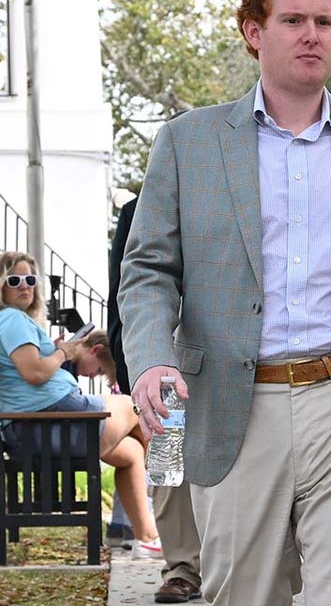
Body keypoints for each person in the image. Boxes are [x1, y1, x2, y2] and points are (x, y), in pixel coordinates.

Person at [118, 0, 331, 606]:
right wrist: (150, 359)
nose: (312, 33)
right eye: (293, 19)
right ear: (253, 31)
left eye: (325, 20)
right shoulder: (188, 142)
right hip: (236, 401)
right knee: (244, 592)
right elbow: (148, 268)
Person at [0, 251, 162, 559]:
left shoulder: (11, 321)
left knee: (131, 453)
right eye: (15, 280)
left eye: (30, 280)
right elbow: (34, 373)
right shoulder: (10, 319)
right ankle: (172, 504)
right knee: (134, 406)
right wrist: (64, 353)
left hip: (46, 425)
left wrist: (57, 350)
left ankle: (148, 537)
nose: (25, 287)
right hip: (50, 423)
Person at [109, 196, 204, 604]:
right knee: (170, 467)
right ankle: (182, 567)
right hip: (164, 361)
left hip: (238, 355)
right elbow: (124, 293)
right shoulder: (136, 211)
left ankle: (237, 561)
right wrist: (131, 368)